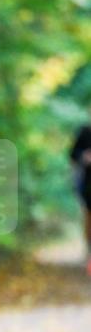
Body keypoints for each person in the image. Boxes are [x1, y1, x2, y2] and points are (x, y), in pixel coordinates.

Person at [69, 113, 91, 275]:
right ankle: (89, 250)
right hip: (88, 183)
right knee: (88, 215)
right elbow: (72, 155)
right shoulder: (84, 132)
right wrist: (84, 156)